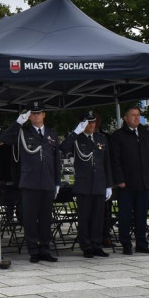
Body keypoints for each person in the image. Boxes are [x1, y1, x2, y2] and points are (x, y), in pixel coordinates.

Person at [0, 102, 61, 263]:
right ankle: (34, 250)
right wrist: (19, 122)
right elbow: (4, 138)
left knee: (46, 218)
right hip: (30, 182)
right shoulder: (22, 132)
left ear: (44, 114)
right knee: (30, 218)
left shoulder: (52, 133)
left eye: (39, 113)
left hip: (47, 181)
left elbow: (56, 159)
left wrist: (57, 182)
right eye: (33, 114)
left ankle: (45, 249)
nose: (36, 116)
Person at [60, 110, 111, 258]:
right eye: (88, 122)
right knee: (85, 218)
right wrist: (76, 132)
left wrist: (108, 184)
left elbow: (106, 162)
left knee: (98, 218)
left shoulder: (101, 138)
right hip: (84, 184)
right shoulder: (76, 139)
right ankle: (86, 246)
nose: (92, 125)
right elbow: (63, 148)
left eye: (94, 122)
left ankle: (96, 245)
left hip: (99, 184)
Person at [110, 105, 149, 255]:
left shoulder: (145, 133)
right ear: (125, 118)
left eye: (138, 115)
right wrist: (119, 179)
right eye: (133, 115)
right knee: (125, 215)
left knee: (141, 215)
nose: (136, 118)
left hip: (143, 181)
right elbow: (115, 160)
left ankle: (141, 243)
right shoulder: (118, 136)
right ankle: (126, 244)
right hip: (127, 183)